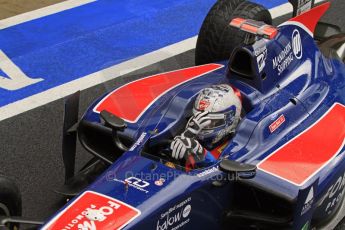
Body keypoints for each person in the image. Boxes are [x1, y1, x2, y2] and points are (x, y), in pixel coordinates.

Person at [170, 84, 242, 169]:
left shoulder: (237, 145)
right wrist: (186, 136)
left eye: (211, 122)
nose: (202, 127)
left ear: (231, 119)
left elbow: (221, 173)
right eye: (199, 118)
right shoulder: (191, 128)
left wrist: (202, 154)